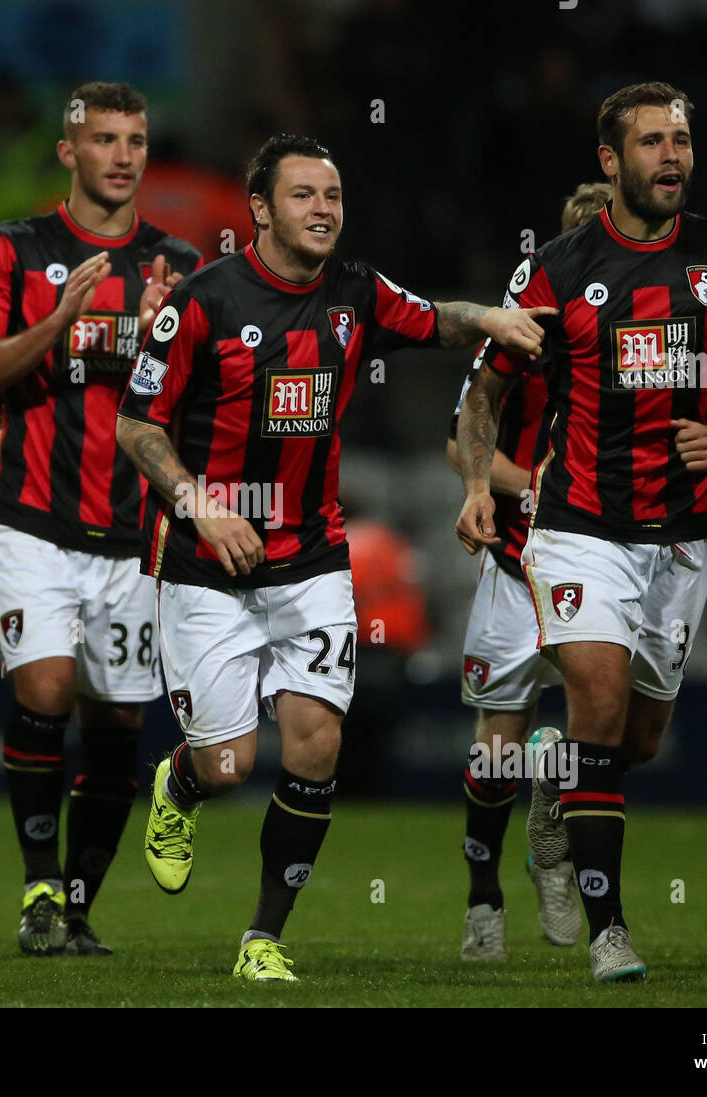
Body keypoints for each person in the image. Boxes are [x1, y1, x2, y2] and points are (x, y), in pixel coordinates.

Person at [117, 133, 551, 981]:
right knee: (231, 764)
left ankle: (264, 937)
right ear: (260, 209)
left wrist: (492, 319)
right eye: (304, 195)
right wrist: (203, 507)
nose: (323, 209)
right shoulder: (202, 301)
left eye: (333, 196)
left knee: (316, 744)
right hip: (206, 559)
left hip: (312, 554)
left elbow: (434, 318)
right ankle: (182, 783)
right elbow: (137, 423)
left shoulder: (355, 291)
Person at [455, 83, 707, 982]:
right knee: (600, 710)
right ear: (611, 160)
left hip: (680, 535)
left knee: (635, 741)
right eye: (652, 141)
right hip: (580, 525)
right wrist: (479, 485)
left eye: (680, 139)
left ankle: (555, 779)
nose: (671, 155)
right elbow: (485, 391)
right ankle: (610, 931)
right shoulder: (555, 270)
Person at [0, 82, 201, 956]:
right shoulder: (11, 250)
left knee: (120, 722)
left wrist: (162, 344)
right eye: (104, 139)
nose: (123, 156)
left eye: (135, 139)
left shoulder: (176, 263)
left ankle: (80, 905)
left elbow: (199, 404)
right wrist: (60, 322)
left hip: (132, 529)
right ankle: (38, 887)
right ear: (68, 151)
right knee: (47, 689)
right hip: (29, 513)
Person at [446, 182, 611, 961]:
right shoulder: (522, 338)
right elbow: (460, 440)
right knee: (494, 753)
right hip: (518, 562)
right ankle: (483, 896)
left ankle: (554, 828)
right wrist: (522, 486)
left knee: (607, 732)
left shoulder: (646, 343)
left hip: (606, 563)